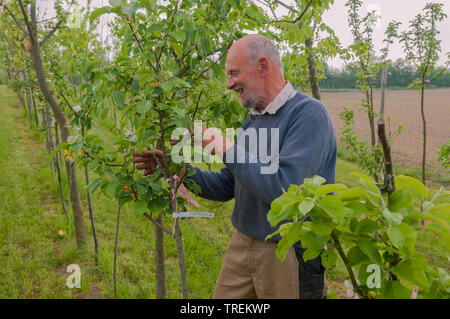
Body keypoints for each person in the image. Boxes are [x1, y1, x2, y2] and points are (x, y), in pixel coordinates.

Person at [133, 34, 337, 299]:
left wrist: (225, 147)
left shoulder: (308, 115)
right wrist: (179, 172)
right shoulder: (253, 120)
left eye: (234, 73)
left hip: (287, 251)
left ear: (263, 66)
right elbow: (227, 185)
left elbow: (286, 189)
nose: (229, 84)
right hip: (243, 243)